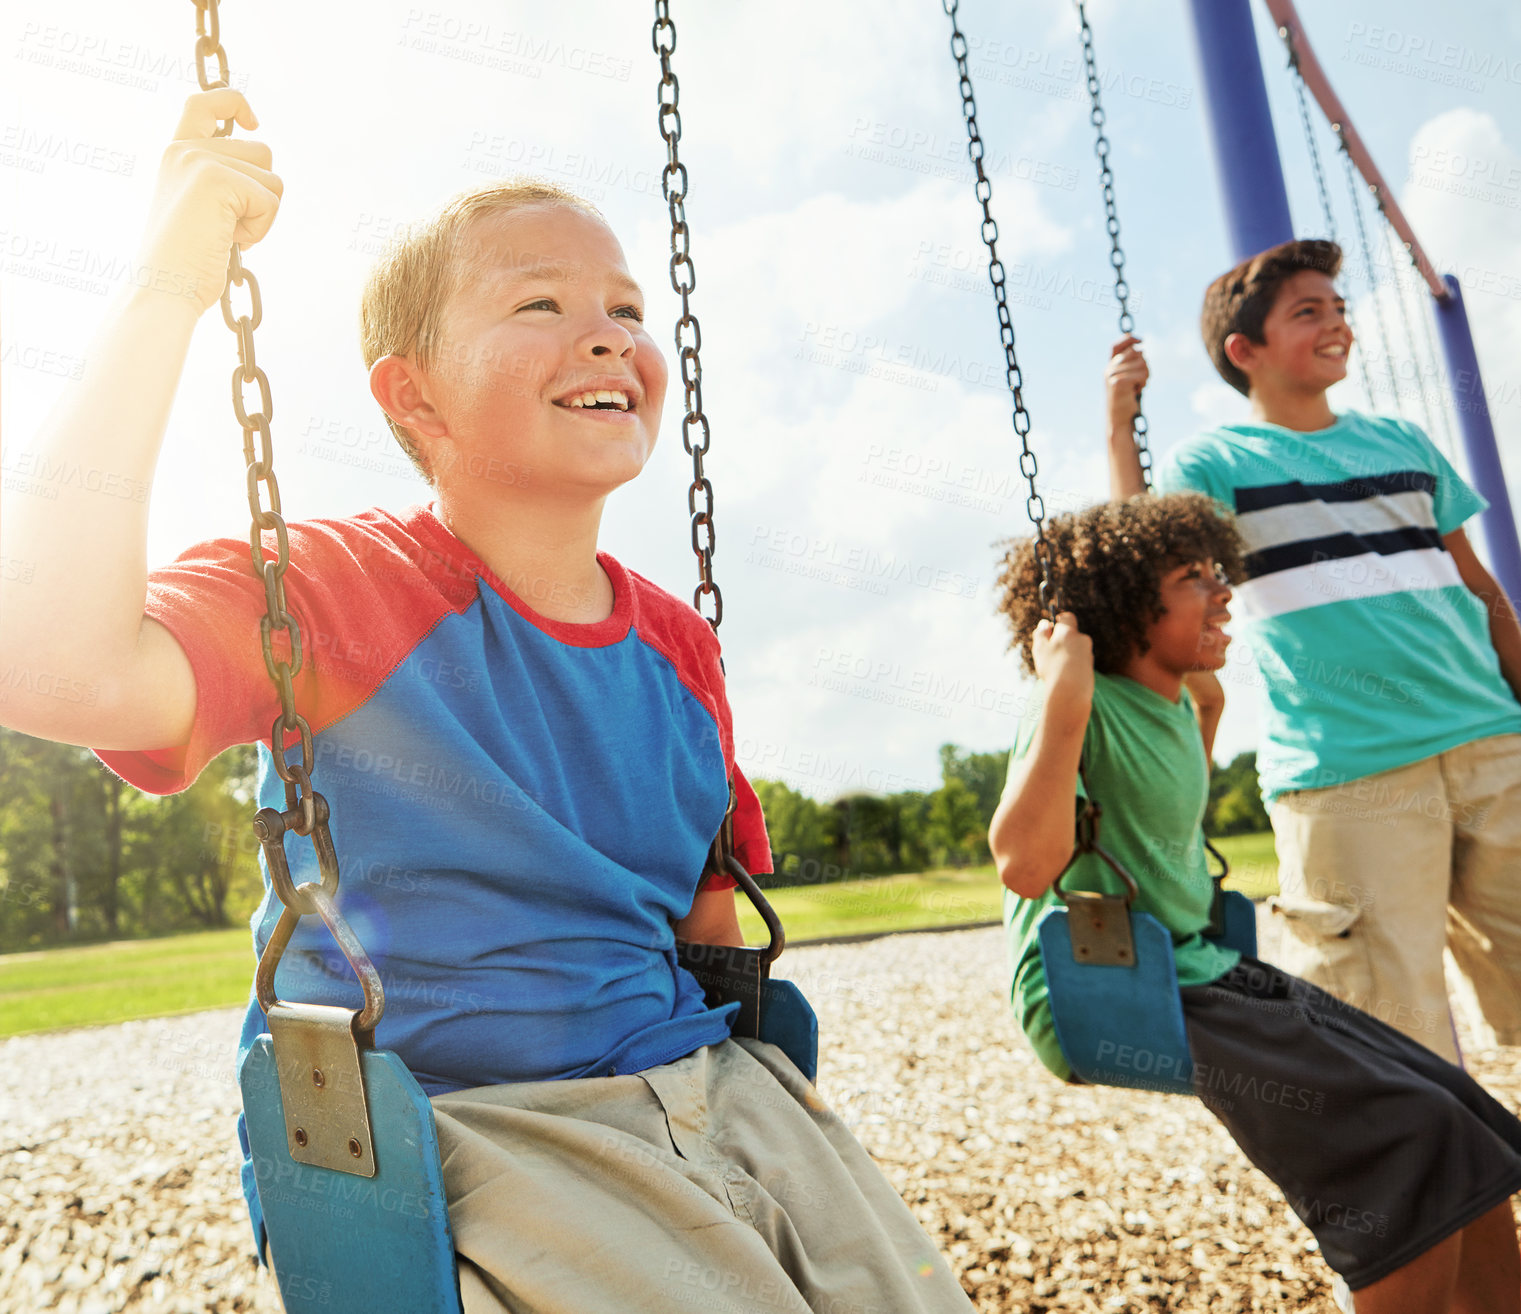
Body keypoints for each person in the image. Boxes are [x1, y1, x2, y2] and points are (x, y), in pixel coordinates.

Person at [0, 89, 974, 1314]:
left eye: (627, 308)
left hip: (713, 1087)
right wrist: (166, 283)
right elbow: (46, 665)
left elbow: (711, 925)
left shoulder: (677, 646)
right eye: (541, 305)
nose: (610, 333)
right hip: (477, 1130)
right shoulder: (339, 590)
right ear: (413, 399)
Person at [989, 493, 1521, 1313]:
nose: (1223, 591)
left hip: (1203, 968)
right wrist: (1061, 689)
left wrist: (1203, 684)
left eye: (1217, 572)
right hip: (1119, 983)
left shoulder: (1178, 700)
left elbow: (1187, 732)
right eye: (1191, 577)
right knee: (1408, 1136)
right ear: (1127, 603)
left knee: (1462, 1114)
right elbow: (1024, 866)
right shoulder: (1077, 702)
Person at [1102, 239, 1521, 1064]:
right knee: (1390, 1035)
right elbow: (1146, 569)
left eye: (1339, 308)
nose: (1336, 323)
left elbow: (1481, 590)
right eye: (1307, 311)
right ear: (1243, 351)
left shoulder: (1403, 443)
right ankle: (1463, 1198)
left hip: (1489, 747)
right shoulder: (1217, 462)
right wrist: (1121, 429)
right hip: (1349, 773)